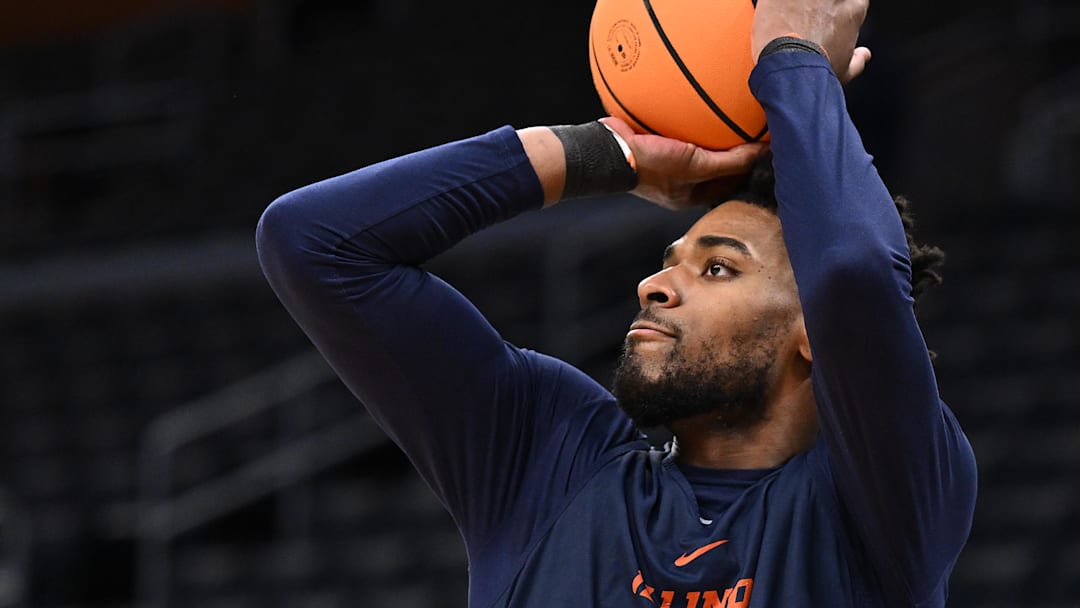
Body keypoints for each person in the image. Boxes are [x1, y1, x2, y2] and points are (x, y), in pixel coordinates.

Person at [256, 0, 977, 604]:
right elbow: (312, 243)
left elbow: (853, 272)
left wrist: (793, 57)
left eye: (720, 269)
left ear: (813, 331)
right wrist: (606, 154)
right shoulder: (547, 458)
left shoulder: (880, 500)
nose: (655, 285)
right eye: (670, 262)